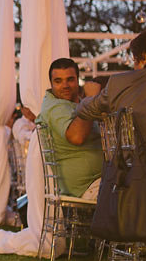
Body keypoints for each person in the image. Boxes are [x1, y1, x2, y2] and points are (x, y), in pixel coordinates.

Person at [72, 26, 146, 169]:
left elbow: (84, 110)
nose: (134, 67)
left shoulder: (121, 83)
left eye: (135, 60)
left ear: (144, 58)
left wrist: (91, 95)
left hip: (140, 171)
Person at [34, 58, 103, 199]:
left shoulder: (69, 104)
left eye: (70, 79)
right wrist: (91, 99)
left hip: (98, 180)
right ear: (51, 83)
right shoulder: (56, 107)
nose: (65, 85)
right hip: (87, 187)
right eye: (58, 81)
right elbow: (77, 137)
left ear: (78, 79)